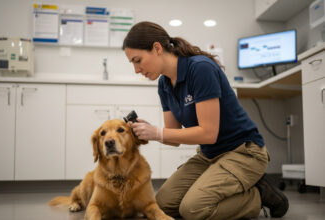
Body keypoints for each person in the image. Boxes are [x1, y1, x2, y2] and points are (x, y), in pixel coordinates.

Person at [122, 21, 289, 220]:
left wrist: (158, 133)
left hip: (244, 153)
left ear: (157, 48)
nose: (136, 70)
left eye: (137, 60)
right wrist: (149, 131)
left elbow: (209, 134)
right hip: (210, 155)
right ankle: (231, 189)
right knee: (164, 203)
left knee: (193, 209)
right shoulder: (164, 84)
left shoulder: (200, 69)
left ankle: (258, 195)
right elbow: (174, 137)